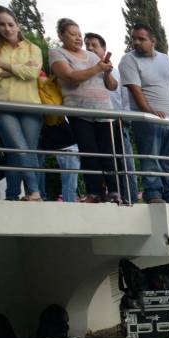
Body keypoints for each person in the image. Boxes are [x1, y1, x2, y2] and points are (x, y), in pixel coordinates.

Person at [49, 18, 119, 202]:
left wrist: (107, 71)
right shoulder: (57, 53)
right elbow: (71, 77)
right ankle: (95, 192)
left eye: (79, 34)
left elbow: (112, 86)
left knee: (108, 154)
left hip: (104, 110)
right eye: (72, 34)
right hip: (79, 112)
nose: (78, 38)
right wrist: (97, 68)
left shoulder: (94, 57)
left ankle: (114, 191)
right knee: (89, 153)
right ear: (61, 35)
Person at [0, 5, 43, 201]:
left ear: (17, 25)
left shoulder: (33, 48)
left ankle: (12, 194)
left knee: (23, 152)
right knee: (19, 148)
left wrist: (5, 66)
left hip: (31, 105)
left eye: (10, 24)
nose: (7, 29)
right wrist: (20, 70)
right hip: (4, 104)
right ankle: (34, 191)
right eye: (2, 24)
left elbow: (33, 73)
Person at [119, 23, 169, 204]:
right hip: (148, 120)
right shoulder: (129, 60)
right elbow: (135, 89)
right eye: (134, 39)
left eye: (141, 39)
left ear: (152, 41)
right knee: (150, 158)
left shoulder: (165, 59)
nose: (136, 42)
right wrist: (149, 111)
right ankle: (153, 193)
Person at [84, 32, 138, 203]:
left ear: (104, 48)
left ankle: (129, 199)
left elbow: (124, 97)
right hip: (95, 125)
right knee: (99, 163)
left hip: (117, 123)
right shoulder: (85, 71)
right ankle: (103, 197)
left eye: (94, 45)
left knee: (124, 164)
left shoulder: (116, 72)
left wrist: (124, 121)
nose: (90, 48)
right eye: (87, 45)